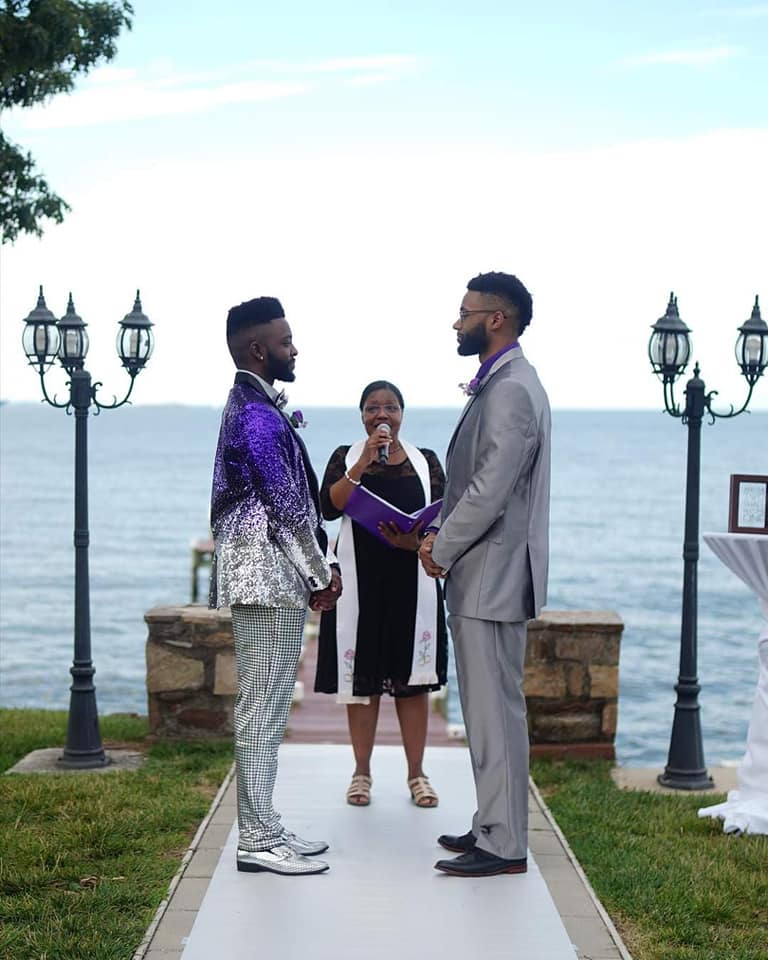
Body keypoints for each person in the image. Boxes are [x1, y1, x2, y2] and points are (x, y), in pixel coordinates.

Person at [419, 272, 551, 878]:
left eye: (465, 311)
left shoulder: (513, 389)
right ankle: (493, 821)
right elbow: (478, 480)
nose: (456, 321)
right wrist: (434, 528)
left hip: (492, 575)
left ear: (496, 318)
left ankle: (503, 843)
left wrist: (442, 548)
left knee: (495, 709)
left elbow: (492, 485)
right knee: (488, 707)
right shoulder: (503, 383)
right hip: (486, 571)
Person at [210, 296, 342, 876]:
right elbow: (287, 507)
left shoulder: (253, 405)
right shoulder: (258, 417)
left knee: (264, 706)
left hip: (269, 570)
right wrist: (324, 572)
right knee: (261, 706)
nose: (295, 349)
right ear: (258, 349)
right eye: (286, 342)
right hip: (264, 573)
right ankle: (257, 840)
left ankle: (263, 824)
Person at [314, 380, 448, 808]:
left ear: (402, 414)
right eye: (373, 408)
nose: (382, 415)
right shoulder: (347, 456)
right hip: (360, 582)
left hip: (412, 580)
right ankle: (361, 773)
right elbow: (329, 508)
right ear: (362, 416)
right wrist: (363, 463)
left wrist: (421, 539)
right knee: (361, 682)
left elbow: (444, 513)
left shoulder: (426, 462)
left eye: (390, 407)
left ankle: (417, 774)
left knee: (413, 684)